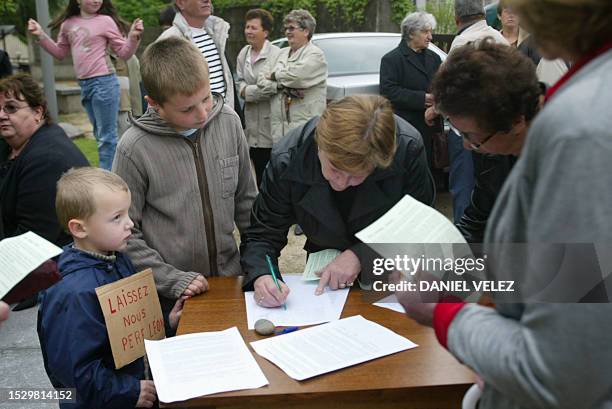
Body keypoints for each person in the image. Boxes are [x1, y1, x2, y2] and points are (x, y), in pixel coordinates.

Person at [398, 0, 612, 407]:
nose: (467, 147)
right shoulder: (582, 103)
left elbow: (562, 369)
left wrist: (442, 313)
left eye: (473, 137)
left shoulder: (580, 130)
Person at [240, 95, 434, 307]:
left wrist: (361, 255)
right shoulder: (288, 158)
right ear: (319, 145)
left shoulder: (408, 148)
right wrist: (262, 275)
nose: (341, 183)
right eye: (334, 169)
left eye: (357, 175)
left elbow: (419, 225)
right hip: (323, 275)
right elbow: (263, 234)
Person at [113, 37, 257, 315]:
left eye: (206, 98)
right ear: (154, 104)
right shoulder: (133, 148)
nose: (203, 113)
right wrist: (172, 280)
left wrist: (258, 267)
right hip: (172, 297)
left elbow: (248, 205)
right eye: (187, 109)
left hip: (231, 282)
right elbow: (124, 235)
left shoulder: (229, 122)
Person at [38, 167, 184, 409]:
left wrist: (166, 323)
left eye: (127, 213)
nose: (129, 224)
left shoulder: (117, 258)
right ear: (79, 228)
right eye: (117, 217)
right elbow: (75, 372)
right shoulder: (73, 293)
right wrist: (127, 392)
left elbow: (127, 329)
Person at [432, 40, 539, 243]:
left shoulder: (576, 155)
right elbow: (477, 220)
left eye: (470, 135)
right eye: (458, 131)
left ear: (516, 123)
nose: (465, 145)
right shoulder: (489, 151)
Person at [27, 0, 143, 171]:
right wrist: (41, 35)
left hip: (104, 82)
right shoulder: (68, 24)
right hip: (85, 84)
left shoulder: (105, 21)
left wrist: (133, 37)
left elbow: (124, 54)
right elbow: (60, 52)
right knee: (100, 136)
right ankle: (118, 171)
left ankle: (106, 179)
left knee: (106, 138)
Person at [425, 0, 509, 224]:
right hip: (497, 129)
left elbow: (448, 88)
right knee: (492, 187)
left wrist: (434, 110)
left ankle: (465, 239)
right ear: (483, 14)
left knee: (464, 186)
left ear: (456, 19)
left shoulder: (462, 42)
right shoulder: (500, 39)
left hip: (466, 131)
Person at [0, 73, 89, 248]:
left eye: (11, 108)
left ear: (38, 112)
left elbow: (31, 240)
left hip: (51, 263)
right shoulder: (10, 145)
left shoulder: (46, 160)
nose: (1, 115)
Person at [380, 11, 443, 185]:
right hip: (407, 128)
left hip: (431, 127)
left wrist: (435, 105)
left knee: (430, 178)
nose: (430, 37)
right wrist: (423, 98)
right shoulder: (392, 59)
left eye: (431, 32)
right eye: (425, 32)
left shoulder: (434, 58)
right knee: (407, 178)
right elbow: (389, 92)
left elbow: (443, 88)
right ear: (410, 33)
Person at [258, 9, 328, 144]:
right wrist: (281, 85)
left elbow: (298, 78)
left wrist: (274, 75)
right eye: (286, 28)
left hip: (305, 132)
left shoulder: (315, 55)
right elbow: (261, 81)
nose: (287, 32)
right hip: (278, 133)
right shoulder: (279, 53)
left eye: (292, 28)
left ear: (306, 31)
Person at [158, 0, 236, 110]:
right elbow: (163, 96)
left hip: (224, 118)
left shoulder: (217, 33)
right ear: (181, 3)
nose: (207, 0)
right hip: (194, 124)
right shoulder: (169, 41)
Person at [236, 9, 281, 188]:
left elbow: (272, 87)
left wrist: (247, 93)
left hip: (269, 122)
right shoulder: (243, 53)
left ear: (266, 32)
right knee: (252, 167)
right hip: (250, 122)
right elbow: (238, 81)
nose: (248, 31)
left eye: (254, 27)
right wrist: (245, 90)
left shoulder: (276, 54)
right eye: (247, 27)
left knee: (269, 169)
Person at [496, 0, 540, 65]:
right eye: (507, 11)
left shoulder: (531, 40)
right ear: (499, 16)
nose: (511, 15)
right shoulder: (493, 39)